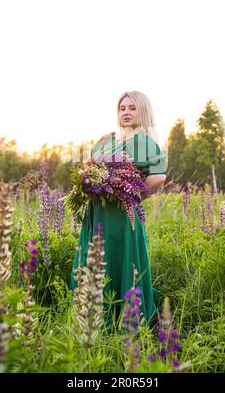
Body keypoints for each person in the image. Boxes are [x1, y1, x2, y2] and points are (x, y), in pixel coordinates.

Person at [70, 91, 168, 333]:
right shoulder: (106, 140)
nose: (126, 112)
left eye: (132, 108)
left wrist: (130, 194)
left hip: (124, 216)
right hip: (97, 211)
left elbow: (157, 178)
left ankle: (128, 320)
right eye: (122, 108)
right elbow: (89, 168)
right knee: (94, 258)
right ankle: (93, 315)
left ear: (142, 111)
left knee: (123, 259)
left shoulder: (147, 143)